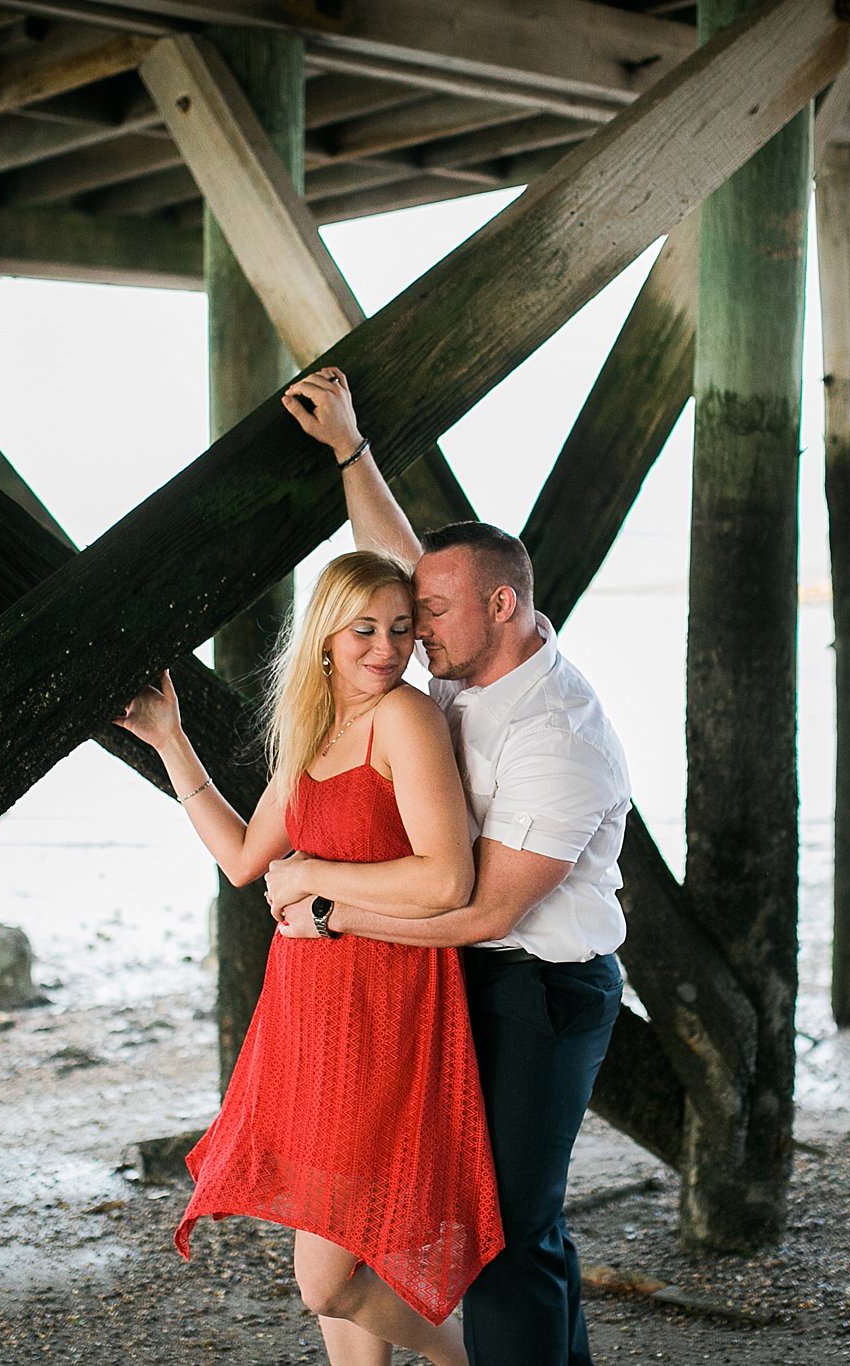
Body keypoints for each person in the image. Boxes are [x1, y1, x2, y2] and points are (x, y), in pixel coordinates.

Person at [270, 367, 632, 1366]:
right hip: (459, 975)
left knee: (508, 1237)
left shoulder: (557, 734)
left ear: (500, 604)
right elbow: (403, 558)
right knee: (491, 1223)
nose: (409, 632)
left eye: (428, 614)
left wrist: (331, 908)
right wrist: (351, 448)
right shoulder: (468, 656)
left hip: (540, 988)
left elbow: (480, 908)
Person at [115, 550, 503, 1366]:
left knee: (325, 1277)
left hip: (385, 1001)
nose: (386, 649)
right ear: (324, 637)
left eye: (401, 629)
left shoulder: (405, 718)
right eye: (364, 629)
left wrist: (317, 875)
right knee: (334, 1227)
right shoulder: (315, 729)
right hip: (311, 1009)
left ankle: (466, 1357)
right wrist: (170, 738)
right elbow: (244, 859)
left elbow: (447, 878)